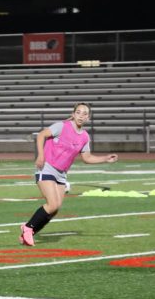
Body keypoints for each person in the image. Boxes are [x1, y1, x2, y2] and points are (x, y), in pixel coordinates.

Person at [19, 103, 118, 246]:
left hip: (61, 174)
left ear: (88, 118)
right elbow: (41, 135)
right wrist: (40, 155)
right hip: (47, 167)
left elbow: (87, 158)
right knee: (52, 204)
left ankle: (28, 233)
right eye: (78, 112)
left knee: (55, 209)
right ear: (73, 114)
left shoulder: (84, 136)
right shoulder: (62, 126)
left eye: (84, 114)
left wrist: (105, 158)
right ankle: (28, 227)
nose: (81, 116)